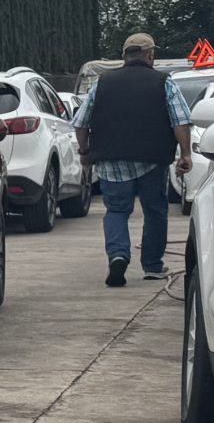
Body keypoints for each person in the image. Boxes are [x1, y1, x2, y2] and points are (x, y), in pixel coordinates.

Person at [75, 32, 191, 286]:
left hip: (111, 160)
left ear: (125, 56)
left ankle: (118, 255)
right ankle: (152, 265)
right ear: (150, 55)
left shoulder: (102, 83)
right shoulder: (163, 82)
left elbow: (81, 122)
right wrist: (185, 153)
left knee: (116, 210)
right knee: (155, 210)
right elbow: (180, 120)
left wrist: (85, 152)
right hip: (152, 159)